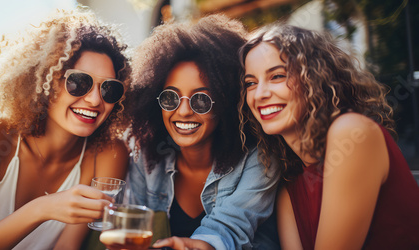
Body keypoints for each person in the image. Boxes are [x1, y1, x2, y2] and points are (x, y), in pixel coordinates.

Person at [0, 7, 131, 249]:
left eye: (109, 89)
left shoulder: (108, 152)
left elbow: (67, 247)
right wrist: (43, 208)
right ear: (44, 82)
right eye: (78, 82)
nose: (95, 100)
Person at [239, 23, 419, 250]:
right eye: (251, 83)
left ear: (313, 78)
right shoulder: (290, 186)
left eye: (277, 76)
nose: (260, 94)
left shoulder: (352, 133)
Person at [127, 15, 280, 250]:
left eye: (201, 100)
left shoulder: (259, 158)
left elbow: (229, 229)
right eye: (170, 98)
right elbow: (132, 228)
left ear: (226, 102)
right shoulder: (145, 155)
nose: (184, 111)